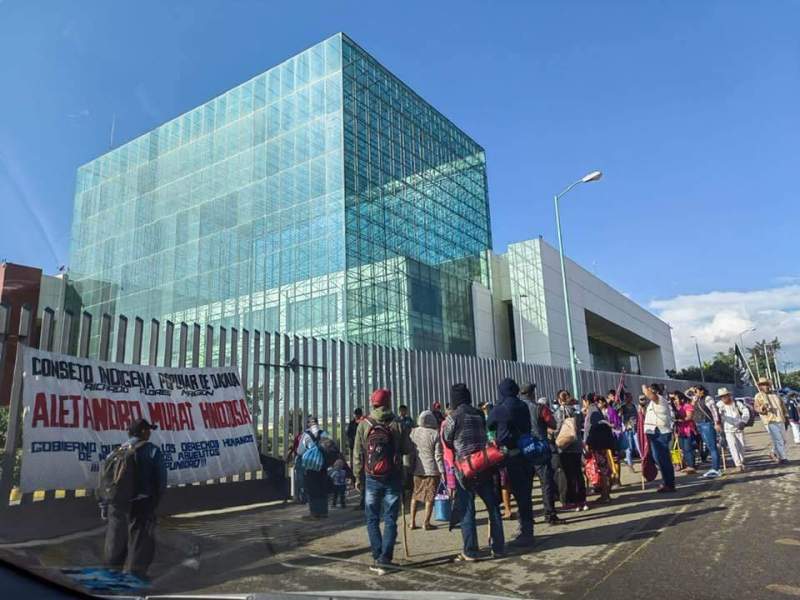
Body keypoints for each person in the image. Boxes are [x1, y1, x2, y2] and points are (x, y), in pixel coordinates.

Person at [443, 383, 505, 560]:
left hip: (465, 468)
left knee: (467, 509)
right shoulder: (479, 414)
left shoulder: (453, 417)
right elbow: (485, 435)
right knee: (492, 507)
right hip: (483, 464)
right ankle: (498, 547)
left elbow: (447, 440)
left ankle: (471, 550)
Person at [353, 388, 410, 574]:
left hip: (371, 477)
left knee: (372, 518)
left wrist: (357, 477)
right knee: (391, 518)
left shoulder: (364, 424)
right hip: (393, 476)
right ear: (388, 403)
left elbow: (357, 454)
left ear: (373, 403)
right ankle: (386, 558)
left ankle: (377, 557)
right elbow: (407, 449)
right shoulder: (398, 423)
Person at [104, 418, 166, 580]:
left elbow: (105, 479)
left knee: (116, 539)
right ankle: (134, 577)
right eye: (149, 430)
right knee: (140, 541)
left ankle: (112, 574)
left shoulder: (117, 452)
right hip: (141, 503)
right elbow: (161, 481)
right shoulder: (152, 451)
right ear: (144, 431)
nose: (150, 433)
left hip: (116, 504)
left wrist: (105, 504)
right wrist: (153, 503)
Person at [487, 378, 535, 548]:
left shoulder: (500, 408)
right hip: (526, 453)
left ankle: (526, 534)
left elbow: (489, 424)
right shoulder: (523, 406)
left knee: (518, 494)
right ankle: (526, 529)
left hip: (511, 455)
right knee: (526, 494)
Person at [520, 383, 564, 525]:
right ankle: (549, 514)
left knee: (525, 487)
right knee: (546, 483)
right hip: (540, 449)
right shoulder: (540, 408)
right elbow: (553, 424)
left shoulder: (516, 408)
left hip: (523, 450)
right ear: (533, 394)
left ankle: (526, 518)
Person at [408, 410, 445, 530]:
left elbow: (411, 451)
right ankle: (426, 523)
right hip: (431, 470)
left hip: (417, 469)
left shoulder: (413, 432)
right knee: (429, 497)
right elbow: (438, 455)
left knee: (415, 495)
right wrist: (442, 471)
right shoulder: (435, 434)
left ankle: (412, 522)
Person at [554, 390, 588, 511]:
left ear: (559, 400)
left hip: (564, 447)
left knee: (568, 475)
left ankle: (572, 501)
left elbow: (556, 429)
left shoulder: (558, 413)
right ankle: (582, 500)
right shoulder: (576, 412)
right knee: (578, 473)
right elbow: (580, 426)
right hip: (576, 446)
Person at [480, 400, 514, 520]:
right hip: (501, 454)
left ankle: (500, 509)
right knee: (504, 483)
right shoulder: (500, 421)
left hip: (491, 456)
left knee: (496, 483)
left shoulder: (485, 422)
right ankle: (507, 509)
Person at [642, 383, 676, 492]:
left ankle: (669, 484)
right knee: (659, 459)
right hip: (653, 432)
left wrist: (644, 387)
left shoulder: (660, 399)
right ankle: (666, 482)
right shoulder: (653, 403)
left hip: (660, 432)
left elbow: (651, 395)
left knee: (663, 459)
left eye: (651, 390)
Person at [299, 417, 332, 518]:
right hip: (322, 466)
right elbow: (329, 448)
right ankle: (324, 512)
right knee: (322, 488)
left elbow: (300, 451)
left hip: (311, 466)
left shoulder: (306, 435)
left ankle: (314, 513)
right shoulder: (324, 434)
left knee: (312, 489)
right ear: (317, 423)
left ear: (309, 424)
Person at [583, 394, 612, 503]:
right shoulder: (596, 410)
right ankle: (605, 493)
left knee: (602, 469)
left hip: (597, 444)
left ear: (586, 401)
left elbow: (589, 430)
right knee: (603, 468)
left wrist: (587, 443)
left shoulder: (592, 412)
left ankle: (605, 494)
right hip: (600, 443)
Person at [689, 385, 722, 479]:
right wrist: (692, 391)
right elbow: (687, 396)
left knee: (712, 447)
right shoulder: (697, 399)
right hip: (699, 424)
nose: (695, 393)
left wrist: (717, 423)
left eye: (697, 391)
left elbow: (714, 411)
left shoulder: (707, 398)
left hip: (707, 424)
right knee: (708, 446)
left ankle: (716, 468)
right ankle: (714, 467)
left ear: (702, 391)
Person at [754, 377, 789, 464]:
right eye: (763, 384)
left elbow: (782, 406)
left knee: (783, 439)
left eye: (766, 384)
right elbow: (757, 408)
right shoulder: (758, 396)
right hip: (770, 420)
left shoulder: (776, 394)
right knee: (778, 439)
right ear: (760, 386)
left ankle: (773, 452)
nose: (765, 386)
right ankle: (783, 458)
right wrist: (763, 408)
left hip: (780, 419)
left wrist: (786, 416)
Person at [716, 387, 750, 471]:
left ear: (728, 395)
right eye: (721, 396)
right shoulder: (719, 405)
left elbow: (746, 412)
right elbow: (716, 416)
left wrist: (743, 421)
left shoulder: (737, 403)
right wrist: (718, 424)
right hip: (728, 430)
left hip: (739, 428)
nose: (723, 398)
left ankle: (742, 461)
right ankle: (738, 464)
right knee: (733, 447)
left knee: (742, 446)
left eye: (725, 396)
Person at [672, 391, 698, 474]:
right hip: (680, 431)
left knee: (688, 448)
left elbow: (689, 417)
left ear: (682, 399)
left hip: (688, 430)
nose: (674, 401)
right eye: (673, 399)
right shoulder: (676, 408)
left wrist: (680, 420)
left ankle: (691, 466)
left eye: (675, 399)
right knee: (683, 449)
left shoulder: (687, 406)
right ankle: (688, 465)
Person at [620, 392, 641, 472]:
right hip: (627, 429)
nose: (629, 398)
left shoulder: (634, 406)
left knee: (638, 446)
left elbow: (637, 416)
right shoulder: (623, 407)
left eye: (630, 397)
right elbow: (619, 414)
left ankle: (643, 462)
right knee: (629, 448)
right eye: (627, 397)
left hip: (635, 428)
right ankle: (630, 464)